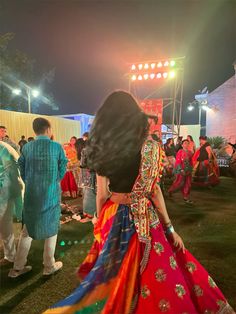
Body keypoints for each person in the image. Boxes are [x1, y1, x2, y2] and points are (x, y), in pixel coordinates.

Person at [44, 91, 233, 314]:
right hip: (143, 217)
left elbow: (102, 194)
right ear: (135, 115)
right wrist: (170, 228)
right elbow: (153, 192)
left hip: (112, 215)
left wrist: (99, 223)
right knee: (157, 274)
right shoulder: (150, 147)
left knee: (113, 275)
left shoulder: (102, 147)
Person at [8, 117, 68, 278]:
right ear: (48, 129)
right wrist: (55, 180)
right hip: (51, 194)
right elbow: (63, 165)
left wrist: (30, 180)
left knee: (27, 229)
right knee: (52, 228)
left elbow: (21, 165)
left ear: (35, 130)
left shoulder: (27, 147)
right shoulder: (56, 147)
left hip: (32, 194)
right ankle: (49, 265)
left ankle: (17, 268)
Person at [0, 141, 24, 266]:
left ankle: (11, 256)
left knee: (4, 221)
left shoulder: (3, 149)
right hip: (7, 189)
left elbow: (10, 174)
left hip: (7, 190)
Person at [168, 139, 193, 204]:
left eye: (187, 143)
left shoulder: (190, 152)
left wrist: (191, 170)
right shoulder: (180, 151)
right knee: (179, 183)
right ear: (182, 145)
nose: (186, 144)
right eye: (185, 143)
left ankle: (185, 197)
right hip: (181, 170)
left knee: (188, 183)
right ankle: (171, 191)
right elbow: (178, 161)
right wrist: (181, 169)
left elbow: (191, 162)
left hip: (188, 171)